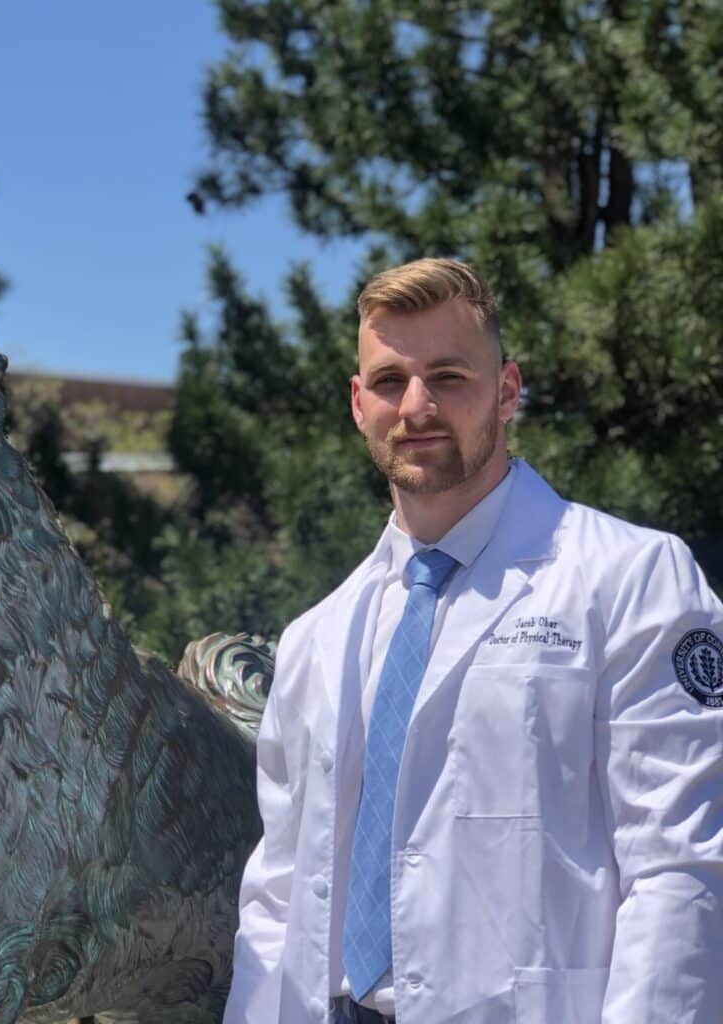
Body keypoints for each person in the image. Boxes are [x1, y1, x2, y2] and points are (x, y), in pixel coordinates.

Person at [222, 258, 723, 1024]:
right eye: (389, 381)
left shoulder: (632, 580)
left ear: (507, 391)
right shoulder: (316, 636)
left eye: (449, 376)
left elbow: (681, 869)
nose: (416, 406)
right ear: (359, 405)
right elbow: (278, 893)